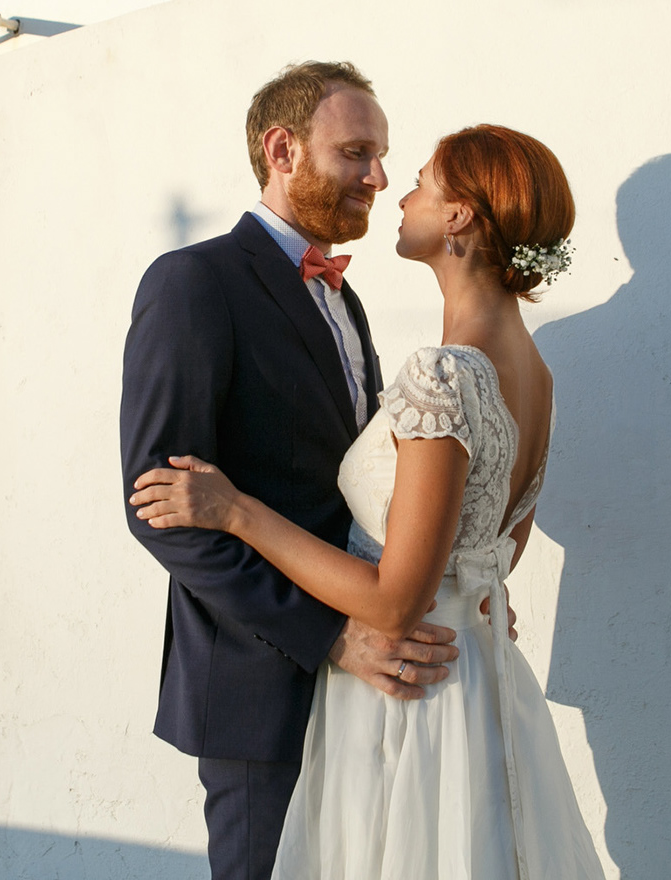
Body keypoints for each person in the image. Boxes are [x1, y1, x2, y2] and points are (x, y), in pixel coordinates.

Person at [133, 124, 607, 879]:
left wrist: (234, 510)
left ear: (458, 218)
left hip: (406, 695)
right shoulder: (536, 373)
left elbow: (393, 602)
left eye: (420, 180)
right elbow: (497, 546)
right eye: (364, 155)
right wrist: (471, 588)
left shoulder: (444, 372)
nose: (395, 187)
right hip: (472, 683)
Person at [120, 62, 463, 880]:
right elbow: (159, 510)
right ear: (283, 149)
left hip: (369, 674)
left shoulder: (346, 302)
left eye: (381, 158)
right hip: (257, 689)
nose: (377, 178)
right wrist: (332, 637)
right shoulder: (193, 284)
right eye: (356, 153)